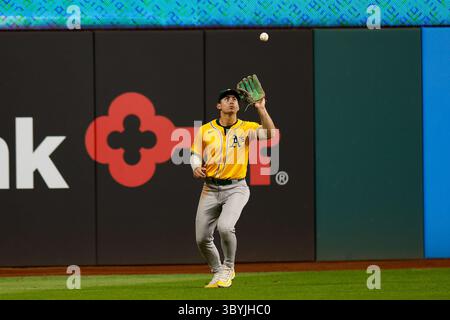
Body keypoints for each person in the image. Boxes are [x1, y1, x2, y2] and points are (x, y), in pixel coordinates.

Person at [190, 88, 276, 288]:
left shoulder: (247, 128)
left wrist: (261, 109)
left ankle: (228, 268)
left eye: (235, 99)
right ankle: (218, 270)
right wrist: (195, 166)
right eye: (226, 99)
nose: (232, 101)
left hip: (236, 187)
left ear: (238, 106)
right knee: (202, 238)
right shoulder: (205, 129)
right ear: (218, 106)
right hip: (210, 188)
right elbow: (195, 152)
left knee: (226, 227)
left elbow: (270, 134)